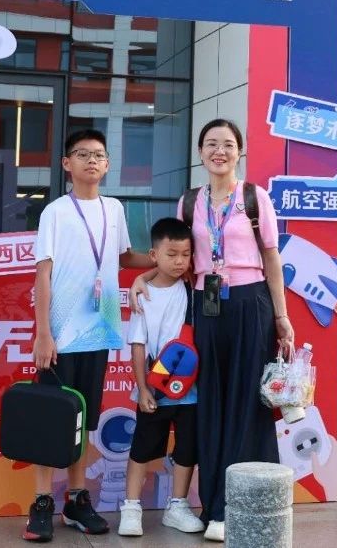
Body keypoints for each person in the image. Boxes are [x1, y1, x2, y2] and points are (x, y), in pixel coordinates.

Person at [132, 118, 294, 543]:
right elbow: (176, 257)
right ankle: (212, 505)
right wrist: (143, 277)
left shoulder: (255, 198)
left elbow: (272, 258)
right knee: (210, 406)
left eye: (227, 144)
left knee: (247, 403)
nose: (219, 151)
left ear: (240, 151)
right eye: (210, 144)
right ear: (200, 152)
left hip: (251, 304)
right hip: (206, 308)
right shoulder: (189, 202)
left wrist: (281, 317)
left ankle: (235, 507)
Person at [25, 129, 153, 543]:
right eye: (82, 154)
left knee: (83, 421)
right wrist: (43, 334)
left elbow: (123, 257)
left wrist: (164, 261)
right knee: (51, 421)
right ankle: (42, 501)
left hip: (99, 332)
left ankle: (76, 500)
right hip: (61, 337)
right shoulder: (55, 212)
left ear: (108, 164)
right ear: (67, 164)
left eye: (99, 155)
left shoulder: (114, 209)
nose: (91, 161)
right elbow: (42, 273)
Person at [116, 217, 205, 538]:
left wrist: (144, 274)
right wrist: (142, 389)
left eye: (186, 254)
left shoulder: (192, 286)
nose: (180, 261)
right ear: (154, 255)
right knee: (142, 447)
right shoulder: (144, 295)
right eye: (172, 254)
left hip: (191, 389)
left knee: (187, 448)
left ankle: (177, 506)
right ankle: (131, 507)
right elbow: (137, 345)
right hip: (155, 388)